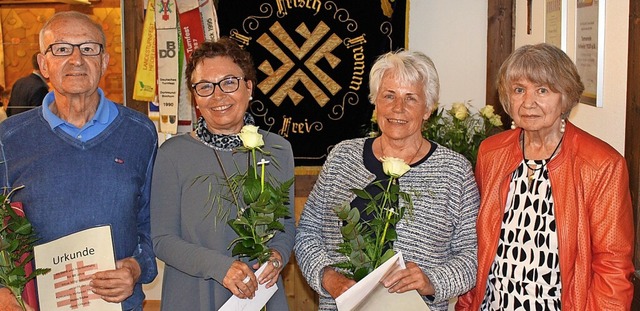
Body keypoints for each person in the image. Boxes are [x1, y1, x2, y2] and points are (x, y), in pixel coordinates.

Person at [294, 50, 479, 311]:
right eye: (389, 95)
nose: (397, 108)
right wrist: (328, 278)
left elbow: (473, 254)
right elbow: (307, 233)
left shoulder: (454, 171)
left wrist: (430, 281)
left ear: (428, 109)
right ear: (375, 102)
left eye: (411, 98)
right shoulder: (342, 157)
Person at [456, 43, 634, 310]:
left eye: (542, 90)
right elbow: (478, 243)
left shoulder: (601, 165)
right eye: (519, 90)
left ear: (565, 97)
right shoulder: (491, 153)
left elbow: (613, 268)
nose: (528, 102)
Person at [0, 11, 158, 311]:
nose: (76, 59)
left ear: (105, 61)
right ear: (43, 64)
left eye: (89, 48)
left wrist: (136, 268)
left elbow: (152, 222)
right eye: (61, 49)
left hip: (120, 305)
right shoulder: (9, 138)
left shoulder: (139, 133)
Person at [150, 37, 295, 311]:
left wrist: (276, 257)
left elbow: (285, 226)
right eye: (205, 86)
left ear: (249, 87)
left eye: (229, 82)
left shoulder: (278, 150)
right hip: (193, 296)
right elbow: (162, 240)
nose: (218, 96)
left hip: (261, 296)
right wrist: (221, 267)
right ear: (194, 96)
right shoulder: (173, 154)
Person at [6, 52, 49, 117]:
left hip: (14, 125)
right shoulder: (40, 88)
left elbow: (9, 110)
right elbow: (39, 117)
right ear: (43, 65)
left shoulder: (19, 82)